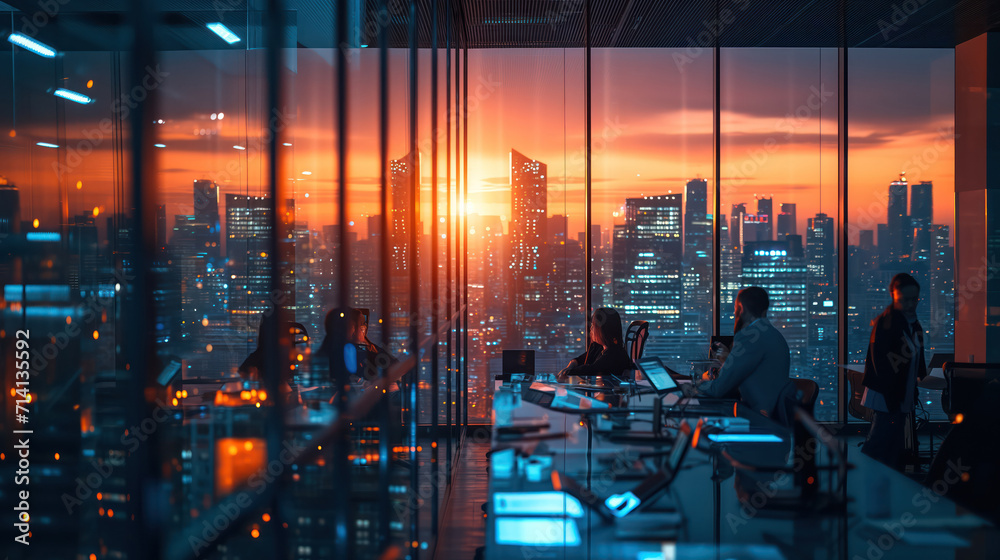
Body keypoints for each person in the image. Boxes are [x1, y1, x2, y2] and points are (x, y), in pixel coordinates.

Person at [682, 286, 795, 422]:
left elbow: (718, 389)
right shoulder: (772, 333)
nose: (735, 312)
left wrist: (694, 386)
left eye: (735, 308)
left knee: (692, 412)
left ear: (740, 308)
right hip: (771, 414)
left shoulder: (750, 337)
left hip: (758, 418)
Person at [860, 273, 927, 471]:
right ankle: (866, 479)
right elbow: (881, 365)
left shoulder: (911, 323)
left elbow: (914, 358)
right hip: (888, 396)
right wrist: (895, 397)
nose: (909, 304)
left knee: (888, 443)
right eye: (904, 299)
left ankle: (878, 481)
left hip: (898, 395)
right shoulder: (887, 323)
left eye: (913, 299)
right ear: (893, 296)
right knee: (880, 442)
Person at [557, 307, 634, 382]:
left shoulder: (615, 354)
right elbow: (579, 360)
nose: (591, 329)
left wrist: (569, 372)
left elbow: (592, 369)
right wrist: (570, 367)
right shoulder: (598, 347)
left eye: (594, 326)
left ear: (603, 330)